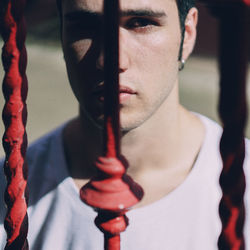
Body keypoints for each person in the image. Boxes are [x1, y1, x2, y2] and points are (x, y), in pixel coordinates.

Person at [0, 0, 249, 249]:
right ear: (63, 33)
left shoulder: (243, 185)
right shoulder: (9, 192)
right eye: (85, 25)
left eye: (141, 23)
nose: (110, 60)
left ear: (188, 33)